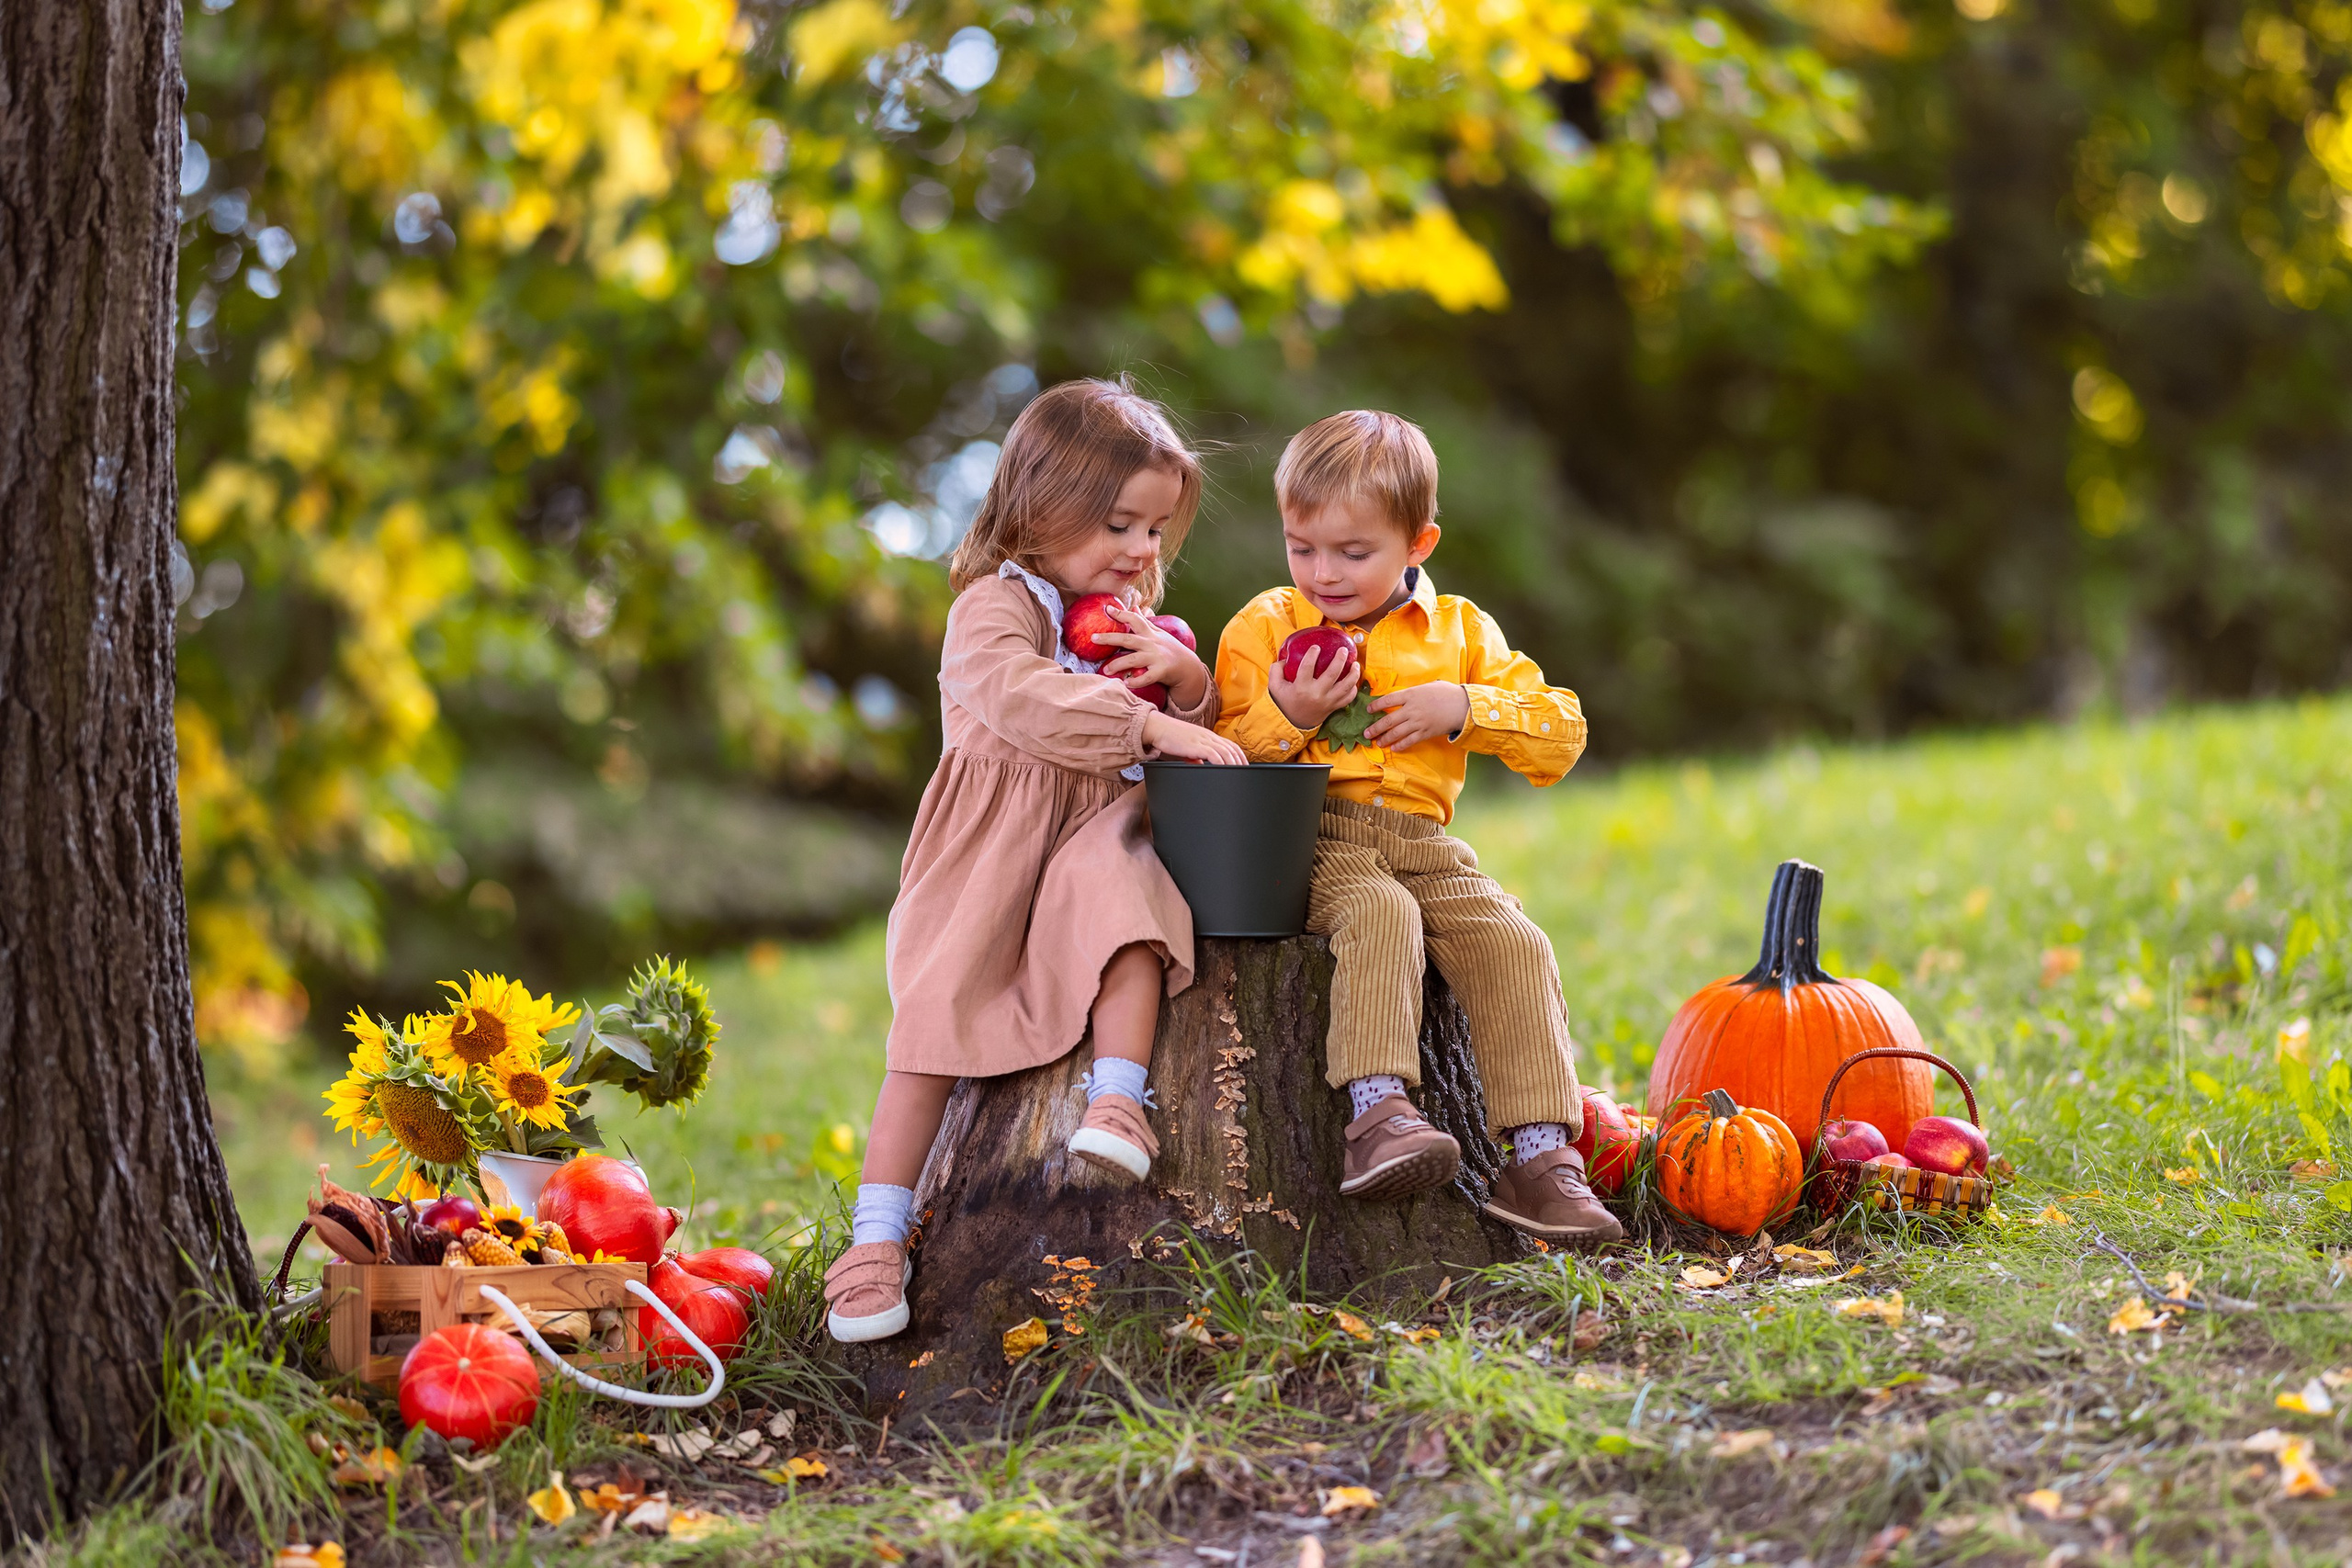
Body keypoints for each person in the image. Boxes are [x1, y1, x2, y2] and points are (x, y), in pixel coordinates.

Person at [824, 379, 1250, 1344]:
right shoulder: (991, 608)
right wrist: (1146, 720)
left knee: (1130, 912)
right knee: (930, 1023)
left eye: (1154, 531)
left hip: (1096, 827)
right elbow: (1025, 701)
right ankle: (876, 1237)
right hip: (991, 851)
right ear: (1038, 508)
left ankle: (1118, 1102)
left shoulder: (1127, 616)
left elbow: (1180, 733)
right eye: (1118, 526)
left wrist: (1186, 687)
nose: (1141, 553)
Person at [1214, 410, 1623, 1243]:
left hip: (1425, 843)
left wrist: (1465, 707)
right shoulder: (1265, 627)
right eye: (1302, 546)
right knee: (1380, 916)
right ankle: (1378, 1115)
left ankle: (1540, 1160)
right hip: (1314, 833)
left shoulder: (1462, 632)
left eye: (1353, 551)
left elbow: (1561, 735)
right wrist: (1289, 713)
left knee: (1515, 942)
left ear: (1418, 543)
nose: (1322, 572)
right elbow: (1217, 757)